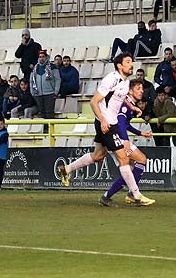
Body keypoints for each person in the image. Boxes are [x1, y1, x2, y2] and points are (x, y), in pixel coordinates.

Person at [57, 54, 154, 206]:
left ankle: (67, 169)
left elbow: (119, 97)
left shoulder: (125, 81)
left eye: (131, 62)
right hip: (107, 123)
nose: (131, 64)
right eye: (128, 62)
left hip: (107, 122)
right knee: (124, 159)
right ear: (119, 66)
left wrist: (132, 106)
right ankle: (136, 195)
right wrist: (103, 120)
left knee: (98, 155)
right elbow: (93, 101)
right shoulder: (111, 79)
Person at [99, 79, 156, 207]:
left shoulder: (129, 104)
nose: (141, 91)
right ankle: (132, 194)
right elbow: (120, 123)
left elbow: (125, 124)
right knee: (142, 159)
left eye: (142, 88)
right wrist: (125, 140)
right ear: (130, 91)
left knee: (129, 171)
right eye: (138, 88)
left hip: (114, 138)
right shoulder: (125, 105)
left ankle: (106, 197)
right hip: (117, 139)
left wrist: (140, 133)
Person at [30, 50, 60, 123]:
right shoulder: (35, 68)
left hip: (49, 93)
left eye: (43, 57)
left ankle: (49, 130)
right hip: (38, 94)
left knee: (49, 113)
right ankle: (43, 129)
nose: (41, 58)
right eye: (40, 57)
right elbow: (31, 81)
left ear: (46, 57)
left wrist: (55, 91)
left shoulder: (52, 67)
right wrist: (32, 92)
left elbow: (58, 80)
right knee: (41, 113)